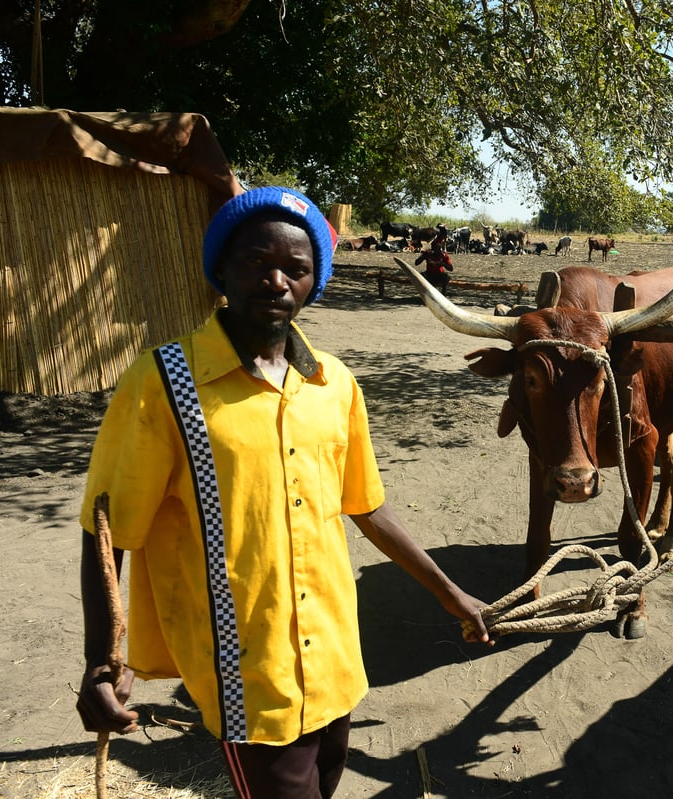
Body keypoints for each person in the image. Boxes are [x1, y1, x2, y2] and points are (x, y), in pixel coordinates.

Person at [75, 187, 490, 798]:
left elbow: (368, 507)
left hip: (334, 658)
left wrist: (453, 596)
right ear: (220, 270)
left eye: (295, 268)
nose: (274, 280)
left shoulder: (334, 383)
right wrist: (100, 659)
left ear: (314, 280)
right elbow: (107, 531)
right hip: (246, 672)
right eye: (253, 262)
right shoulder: (164, 382)